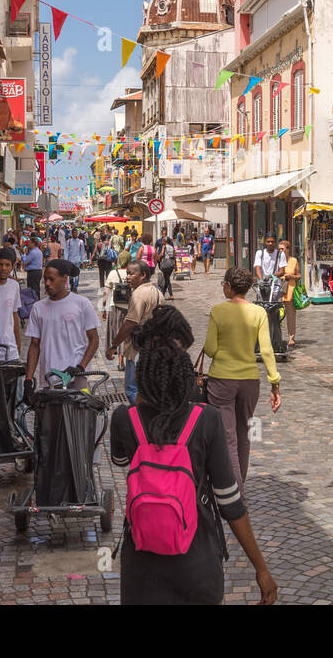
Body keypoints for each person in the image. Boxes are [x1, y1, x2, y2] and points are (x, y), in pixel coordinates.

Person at [109, 304, 277, 605]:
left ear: (144, 377)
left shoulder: (124, 418)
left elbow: (120, 460)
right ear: (185, 377)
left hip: (141, 566)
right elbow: (229, 501)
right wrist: (261, 568)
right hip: (196, 561)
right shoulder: (206, 420)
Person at [201, 267, 282, 492]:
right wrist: (274, 382)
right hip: (250, 381)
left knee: (227, 437)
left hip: (222, 380)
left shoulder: (218, 311)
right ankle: (240, 482)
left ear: (228, 285)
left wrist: (224, 352)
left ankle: (236, 492)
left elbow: (210, 348)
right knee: (243, 433)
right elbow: (266, 350)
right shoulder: (258, 313)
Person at [24, 259, 99, 391]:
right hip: (49, 378)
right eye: (45, 279)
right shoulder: (38, 308)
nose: (47, 283)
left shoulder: (82, 303)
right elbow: (35, 344)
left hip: (76, 377)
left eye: (51, 279)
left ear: (64, 279)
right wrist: (28, 379)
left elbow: (94, 339)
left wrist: (80, 367)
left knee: (76, 411)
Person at [113, 259, 163, 404]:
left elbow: (130, 323)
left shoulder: (139, 295)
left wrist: (113, 345)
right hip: (154, 348)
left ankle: (140, 420)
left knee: (132, 390)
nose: (127, 276)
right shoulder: (157, 292)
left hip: (138, 350)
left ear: (143, 275)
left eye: (131, 274)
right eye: (127, 273)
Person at [102, 254, 132, 372]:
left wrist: (103, 309)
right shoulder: (133, 273)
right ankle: (129, 360)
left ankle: (120, 362)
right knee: (128, 334)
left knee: (118, 332)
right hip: (130, 307)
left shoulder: (113, 273)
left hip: (115, 307)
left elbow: (106, 293)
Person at [278, 239, 300, 348]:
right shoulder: (276, 261)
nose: (280, 251)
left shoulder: (293, 261)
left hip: (290, 291)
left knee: (291, 316)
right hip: (279, 291)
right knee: (277, 315)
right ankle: (277, 337)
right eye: (279, 249)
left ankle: (291, 337)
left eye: (282, 249)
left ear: (288, 249)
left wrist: (291, 276)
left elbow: (298, 275)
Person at [158, 235, 177, 300]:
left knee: (167, 280)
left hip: (166, 264)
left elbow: (161, 254)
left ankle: (171, 295)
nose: (161, 241)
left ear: (165, 241)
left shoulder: (164, 246)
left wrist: (157, 256)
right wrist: (176, 266)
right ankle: (162, 294)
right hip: (171, 264)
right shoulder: (172, 247)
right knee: (166, 279)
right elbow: (174, 256)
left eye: (162, 240)